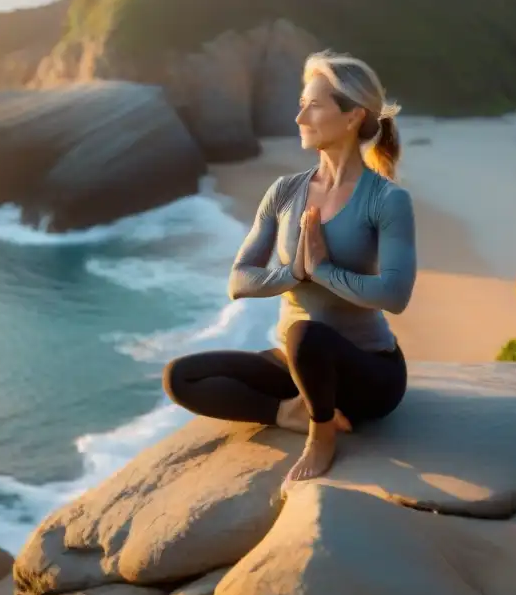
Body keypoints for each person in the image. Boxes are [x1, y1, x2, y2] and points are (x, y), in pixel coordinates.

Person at [162, 49, 418, 488]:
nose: (299, 117)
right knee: (181, 377)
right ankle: (292, 412)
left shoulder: (386, 199)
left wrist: (323, 271)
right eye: (302, 103)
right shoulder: (284, 192)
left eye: (313, 105)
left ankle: (322, 435)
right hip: (297, 364)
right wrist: (293, 275)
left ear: (354, 116)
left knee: (307, 333)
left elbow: (395, 296)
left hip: (368, 374)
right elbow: (238, 280)